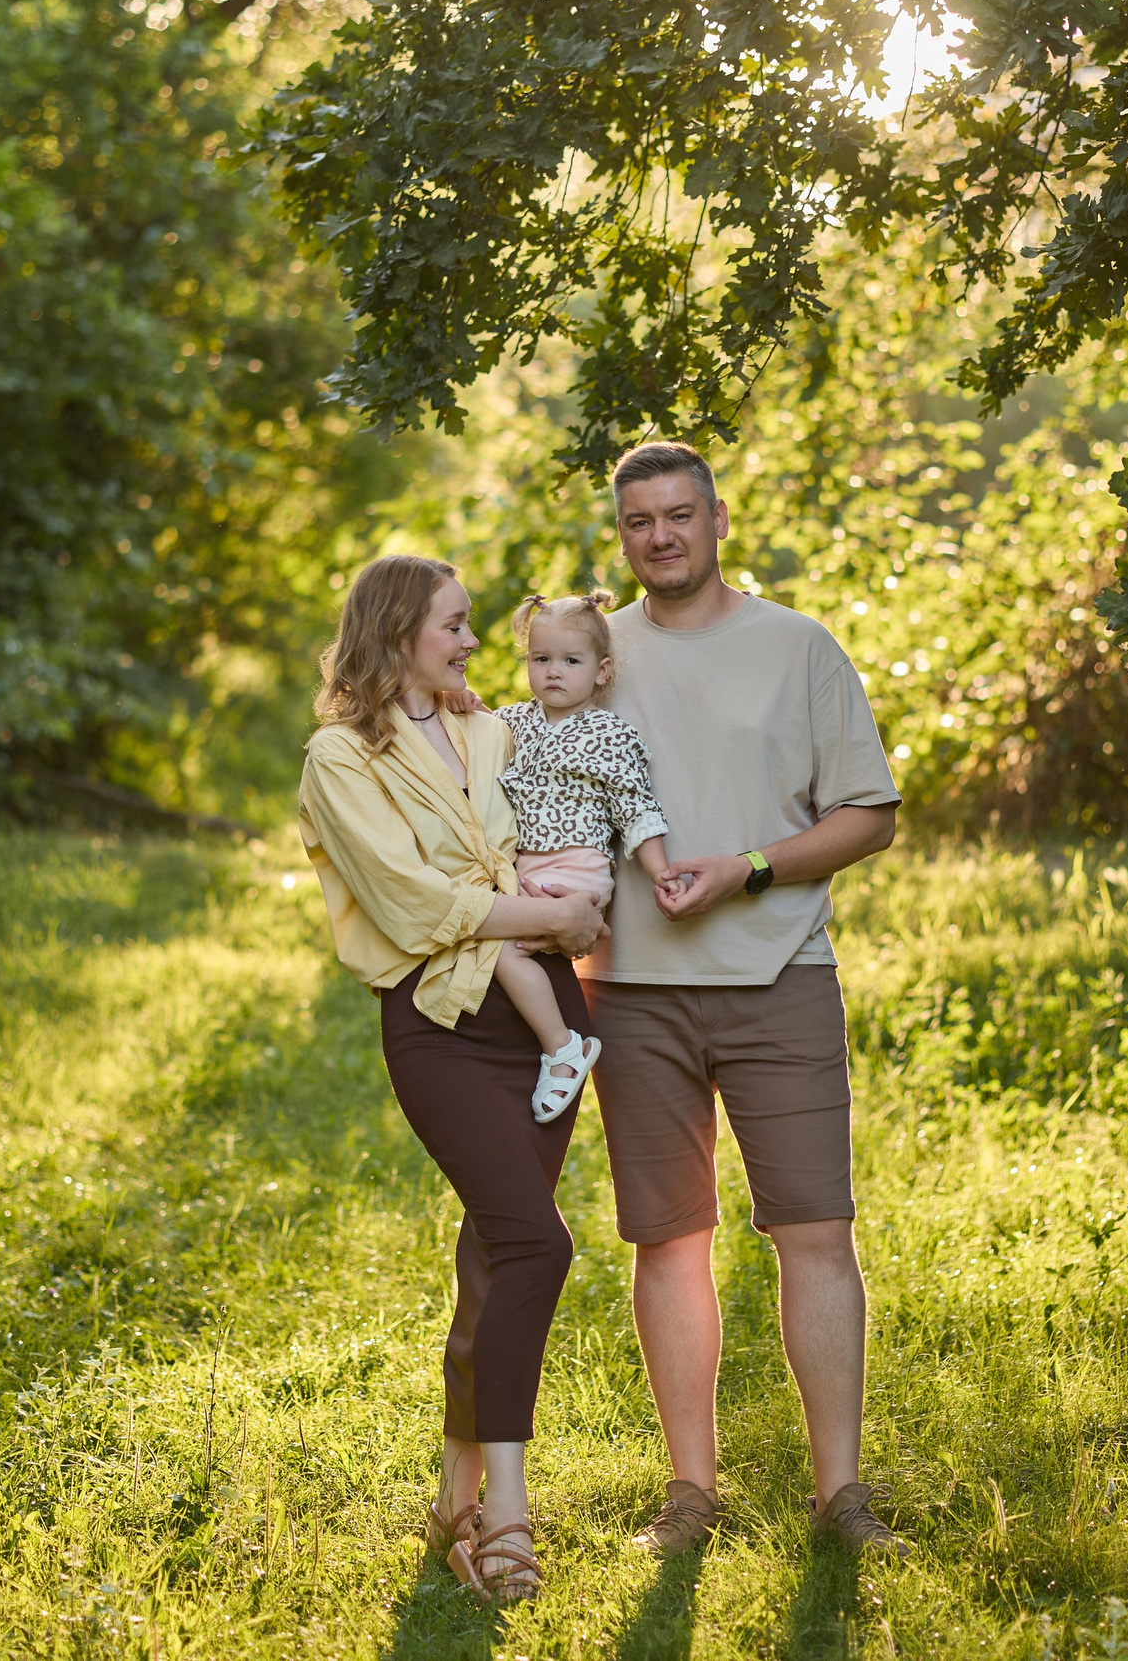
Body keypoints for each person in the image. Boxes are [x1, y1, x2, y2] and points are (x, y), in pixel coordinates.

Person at [577, 441, 913, 1559]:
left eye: (679, 514)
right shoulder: (593, 654)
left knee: (815, 1230)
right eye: (639, 521)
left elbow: (868, 813)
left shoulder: (798, 646)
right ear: (621, 534)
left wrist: (749, 868)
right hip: (630, 990)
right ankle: (690, 1493)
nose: (661, 536)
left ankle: (842, 1496)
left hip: (780, 979)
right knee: (668, 1241)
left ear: (718, 518)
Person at [295, 554, 607, 1604]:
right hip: (440, 1023)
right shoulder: (339, 758)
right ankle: (508, 1516)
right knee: (535, 1242)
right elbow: (412, 904)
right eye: (456, 624)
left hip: (548, 1019)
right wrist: (551, 915)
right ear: (397, 633)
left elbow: (564, 805)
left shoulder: (490, 731)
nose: (474, 642)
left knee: (495, 1253)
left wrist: (580, 897)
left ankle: (454, 1502)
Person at [488, 590, 683, 1122]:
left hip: (577, 868)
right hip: (525, 866)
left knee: (506, 951)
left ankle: (563, 1049)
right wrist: (462, 703)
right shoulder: (515, 722)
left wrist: (661, 872)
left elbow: (636, 809)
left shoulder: (609, 733)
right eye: (541, 659)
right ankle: (527, 1050)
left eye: (571, 661)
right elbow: (473, 731)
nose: (553, 671)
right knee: (502, 945)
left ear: (601, 672)